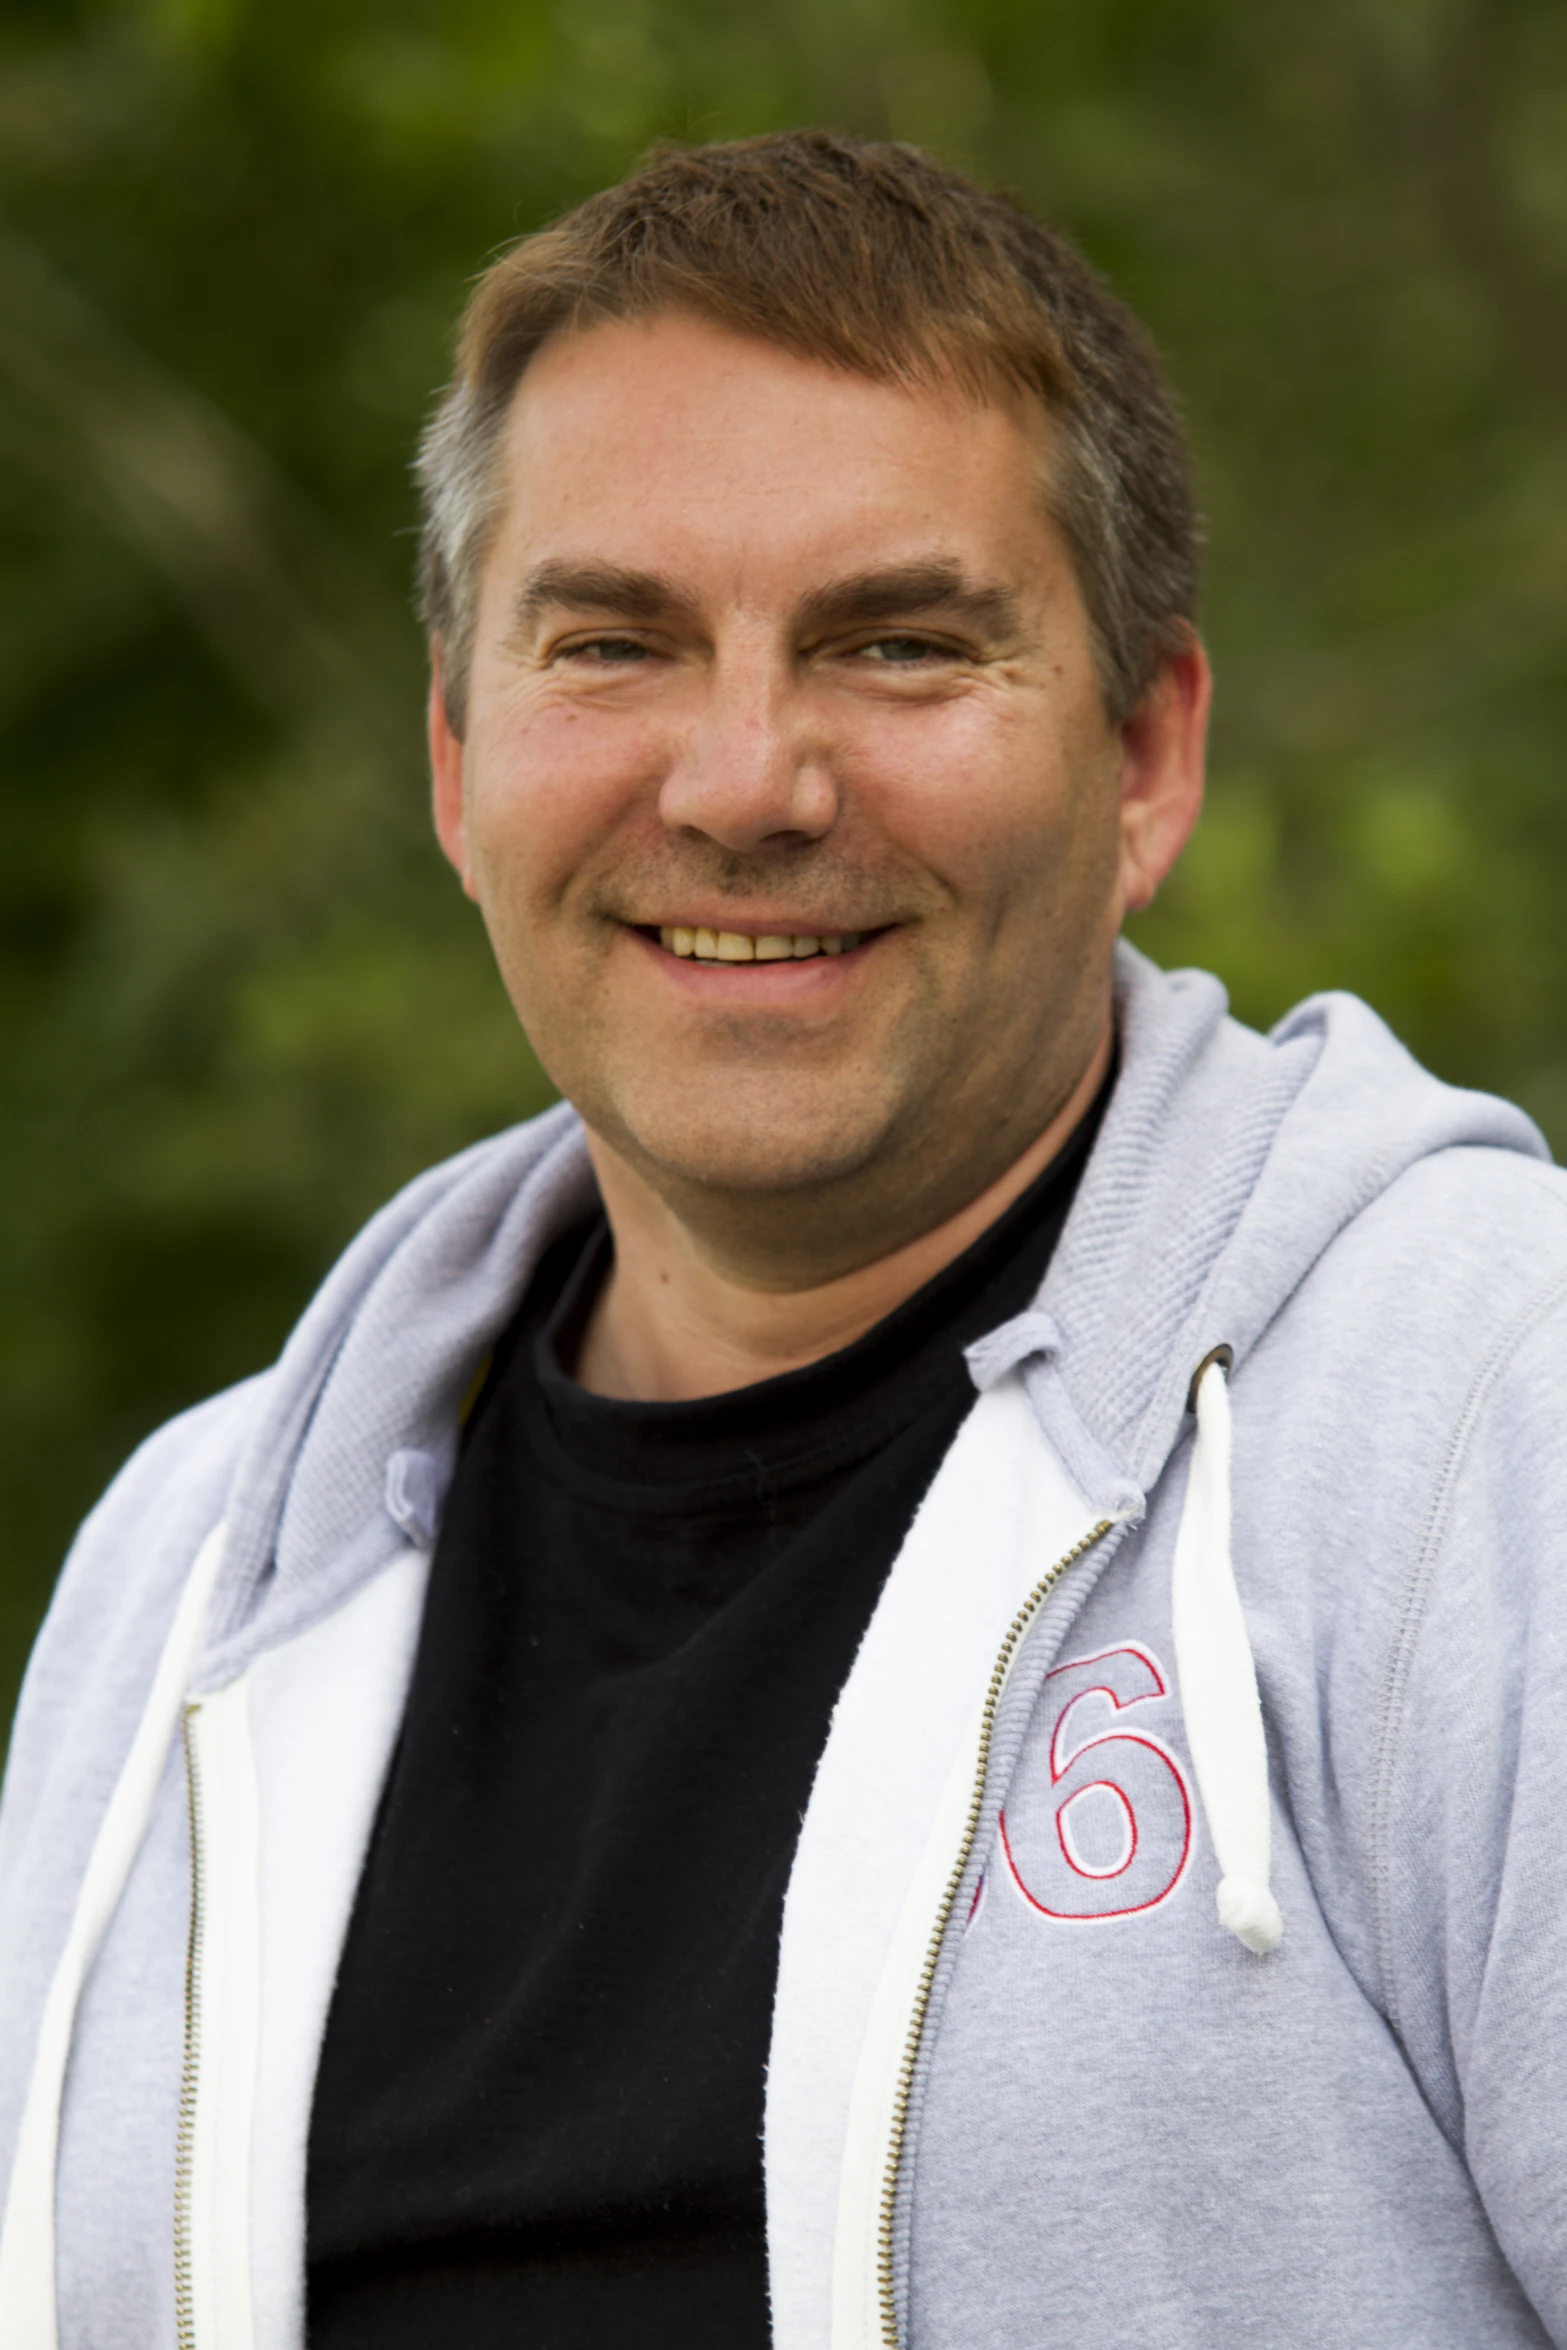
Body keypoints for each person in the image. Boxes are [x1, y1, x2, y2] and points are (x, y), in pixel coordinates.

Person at [2, 127, 1566, 2350]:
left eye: (899, 645)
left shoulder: (1488, 1431)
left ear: (1144, 757)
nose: (744, 779)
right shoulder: (183, 1582)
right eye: (614, 642)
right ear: (458, 765)